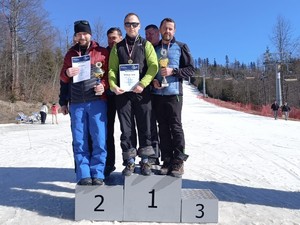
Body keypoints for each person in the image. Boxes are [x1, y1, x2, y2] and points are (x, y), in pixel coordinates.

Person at [59, 20, 109, 186]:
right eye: (79, 34)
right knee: (80, 141)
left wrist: (103, 86)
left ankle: (98, 173)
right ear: (75, 37)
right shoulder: (70, 54)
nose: (82, 36)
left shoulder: (101, 52)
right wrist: (67, 73)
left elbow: (110, 76)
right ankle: (84, 174)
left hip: (97, 102)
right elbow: (63, 80)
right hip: (77, 103)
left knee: (99, 139)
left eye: (85, 33)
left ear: (90, 35)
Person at [108, 13, 158, 176]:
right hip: (123, 94)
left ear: (139, 25)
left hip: (141, 92)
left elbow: (153, 66)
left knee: (145, 126)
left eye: (134, 24)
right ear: (124, 26)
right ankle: (129, 161)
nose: (131, 27)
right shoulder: (118, 47)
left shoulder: (146, 45)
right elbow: (112, 70)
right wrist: (113, 85)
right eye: (128, 24)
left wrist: (143, 83)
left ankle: (145, 161)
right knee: (126, 128)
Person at [152, 18, 195, 178]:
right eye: (165, 28)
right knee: (162, 127)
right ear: (160, 30)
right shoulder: (154, 48)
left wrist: (174, 72)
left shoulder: (181, 47)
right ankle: (167, 159)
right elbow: (150, 69)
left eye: (170, 29)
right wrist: (154, 82)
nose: (167, 31)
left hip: (174, 94)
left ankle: (178, 161)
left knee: (175, 127)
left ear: (174, 31)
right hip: (158, 94)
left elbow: (191, 69)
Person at [104, 27, 123, 178]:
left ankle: (130, 162)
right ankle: (108, 163)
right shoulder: (103, 53)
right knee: (106, 131)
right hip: (108, 97)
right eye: (109, 38)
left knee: (127, 130)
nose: (112, 41)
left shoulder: (126, 51)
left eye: (114, 38)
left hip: (124, 96)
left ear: (120, 38)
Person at [145, 24, 161, 165]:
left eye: (151, 33)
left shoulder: (164, 48)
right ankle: (153, 156)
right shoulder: (144, 48)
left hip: (165, 94)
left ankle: (169, 157)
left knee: (165, 126)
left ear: (158, 33)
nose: (149, 36)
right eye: (147, 34)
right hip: (148, 93)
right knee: (149, 125)